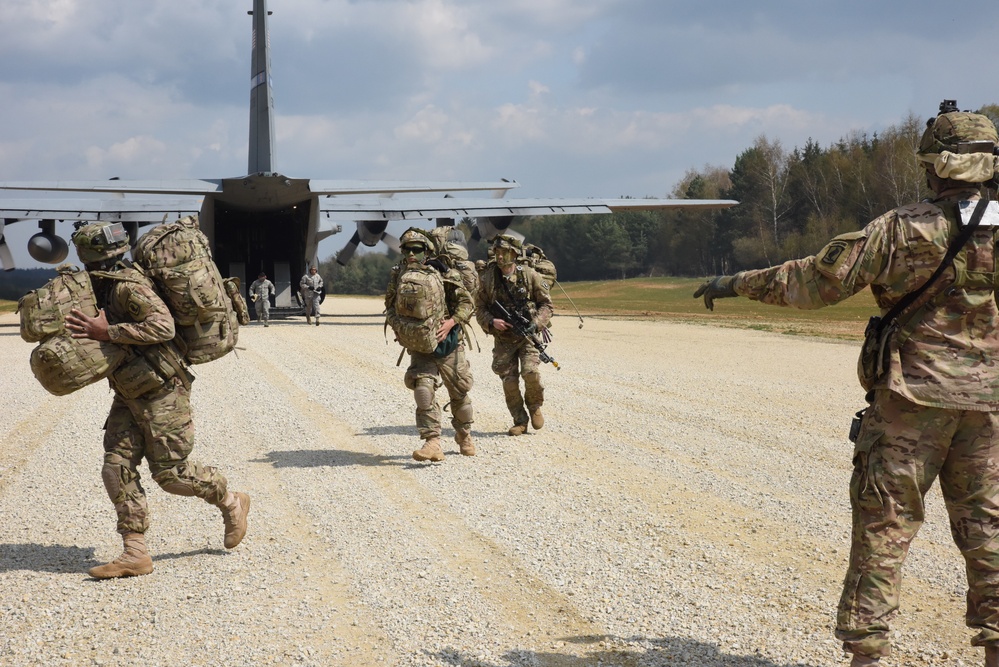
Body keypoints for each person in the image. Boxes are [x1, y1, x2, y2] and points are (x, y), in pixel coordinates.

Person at [693, 105, 999, 667]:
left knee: (884, 528)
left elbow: (814, 282)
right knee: (990, 534)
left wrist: (735, 282)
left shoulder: (904, 228)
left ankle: (866, 656)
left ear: (935, 166)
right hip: (990, 408)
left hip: (912, 402)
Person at [64, 221, 251, 579]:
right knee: (116, 466)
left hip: (163, 388)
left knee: (171, 473)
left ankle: (231, 501)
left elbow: (162, 327)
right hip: (131, 390)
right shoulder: (104, 286)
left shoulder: (127, 287)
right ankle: (135, 552)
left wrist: (108, 332)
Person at [385, 228, 476, 461]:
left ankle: (464, 434)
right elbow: (390, 305)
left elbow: (466, 303)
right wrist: (401, 328)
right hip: (420, 346)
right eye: (407, 249)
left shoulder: (445, 272)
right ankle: (432, 441)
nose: (411, 254)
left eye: (417, 249)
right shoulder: (399, 275)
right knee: (423, 390)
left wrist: (451, 323)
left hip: (449, 344)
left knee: (460, 393)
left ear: (427, 251)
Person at [475, 234, 554, 436]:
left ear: (514, 254)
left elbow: (546, 304)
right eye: (497, 252)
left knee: (531, 373)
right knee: (509, 382)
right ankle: (519, 420)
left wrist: (535, 323)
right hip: (504, 339)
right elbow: (480, 307)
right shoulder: (488, 279)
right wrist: (492, 322)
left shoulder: (530, 275)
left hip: (528, 336)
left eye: (504, 253)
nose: (499, 257)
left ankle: (535, 406)